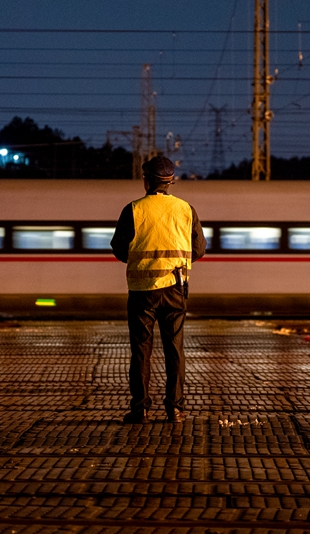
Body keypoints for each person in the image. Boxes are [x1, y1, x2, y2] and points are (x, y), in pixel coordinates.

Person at [110, 155, 206, 424]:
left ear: (146, 181)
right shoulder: (186, 210)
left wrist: (143, 260)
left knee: (141, 350)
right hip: (176, 289)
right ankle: (175, 408)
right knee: (175, 349)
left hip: (142, 291)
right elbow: (198, 249)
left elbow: (118, 248)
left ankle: (140, 409)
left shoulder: (134, 209)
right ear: (170, 182)